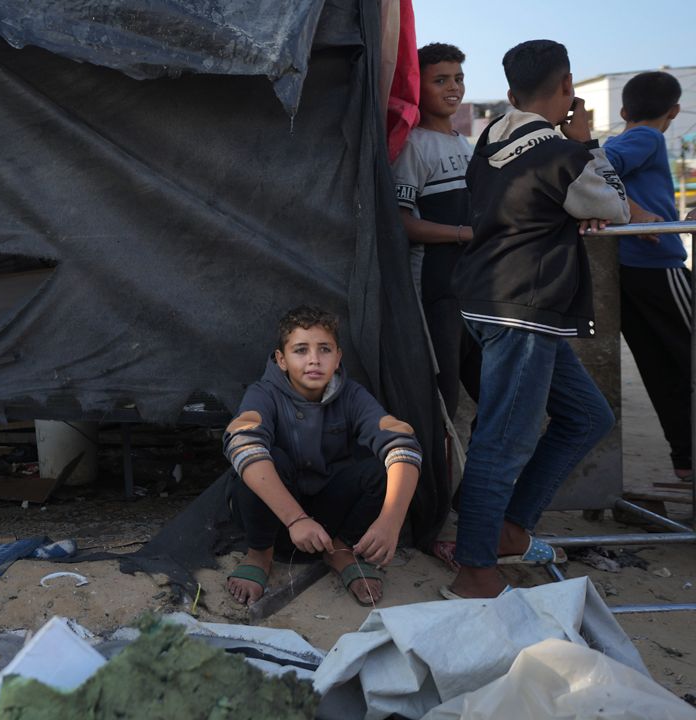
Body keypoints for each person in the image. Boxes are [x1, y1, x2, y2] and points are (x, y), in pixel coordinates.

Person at [446, 40, 630, 599]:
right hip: (523, 310)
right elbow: (615, 207)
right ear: (568, 86)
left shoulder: (491, 136)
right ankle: (474, 569)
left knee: (587, 416)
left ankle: (507, 528)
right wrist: (588, 145)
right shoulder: (563, 154)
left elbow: (531, 206)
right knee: (504, 440)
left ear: (509, 94)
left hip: (487, 300)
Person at [223, 306, 421, 607]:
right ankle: (260, 554)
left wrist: (391, 521)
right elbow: (242, 444)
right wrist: (296, 518)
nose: (314, 360)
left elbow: (402, 443)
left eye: (324, 350)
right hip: (277, 513)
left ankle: (340, 551)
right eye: (301, 350)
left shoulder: (352, 395)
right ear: (281, 360)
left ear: (338, 357)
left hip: (328, 513)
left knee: (379, 470)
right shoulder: (264, 393)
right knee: (262, 461)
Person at [603, 71, 690, 482]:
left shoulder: (616, 139)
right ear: (673, 111)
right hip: (659, 266)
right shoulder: (648, 138)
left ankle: (685, 460)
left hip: (629, 272)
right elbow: (599, 169)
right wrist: (637, 214)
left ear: (623, 110)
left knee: (661, 370)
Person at [391, 42, 481, 421]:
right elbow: (402, 223)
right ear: (418, 88)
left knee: (495, 397)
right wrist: (465, 234)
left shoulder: (468, 144)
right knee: (441, 404)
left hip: (474, 292)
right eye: (440, 80)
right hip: (434, 293)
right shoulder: (412, 147)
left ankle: (477, 482)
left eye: (458, 78)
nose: (453, 88)